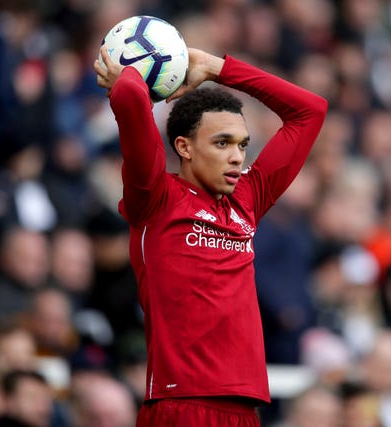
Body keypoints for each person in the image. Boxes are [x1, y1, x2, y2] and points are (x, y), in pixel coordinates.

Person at [94, 42, 327, 425]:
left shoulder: (248, 199)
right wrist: (136, 70)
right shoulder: (154, 198)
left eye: (242, 145)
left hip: (244, 409)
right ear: (184, 147)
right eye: (222, 143)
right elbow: (128, 95)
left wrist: (216, 67)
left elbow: (310, 111)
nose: (237, 156)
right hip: (180, 405)